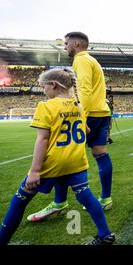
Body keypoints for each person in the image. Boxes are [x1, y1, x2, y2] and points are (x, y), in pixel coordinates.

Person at [0, 68, 115, 245]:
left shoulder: (45, 106)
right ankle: (105, 234)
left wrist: (35, 171)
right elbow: (86, 131)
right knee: (86, 196)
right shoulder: (78, 106)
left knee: (19, 200)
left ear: (53, 85)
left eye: (44, 87)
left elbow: (42, 139)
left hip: (52, 163)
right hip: (76, 162)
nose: (43, 91)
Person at [27, 32, 114, 222]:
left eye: (66, 44)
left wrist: (82, 118)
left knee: (63, 152)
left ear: (76, 43)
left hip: (88, 113)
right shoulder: (92, 60)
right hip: (102, 112)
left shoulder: (81, 60)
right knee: (101, 154)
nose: (65, 47)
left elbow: (84, 89)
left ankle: (59, 202)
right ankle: (105, 198)